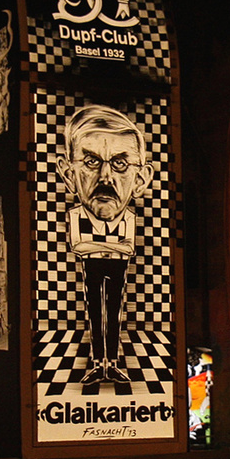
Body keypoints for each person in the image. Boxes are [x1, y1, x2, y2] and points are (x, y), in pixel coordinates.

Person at [57, 105, 150, 389]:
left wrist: (96, 245)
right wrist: (114, 246)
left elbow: (128, 249)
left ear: (141, 179)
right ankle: (99, 365)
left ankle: (113, 365)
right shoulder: (74, 216)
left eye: (120, 164)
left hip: (114, 268)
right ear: (68, 173)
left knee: (114, 316)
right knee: (96, 316)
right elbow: (78, 246)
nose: (105, 178)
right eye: (91, 162)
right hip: (96, 268)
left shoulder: (130, 217)